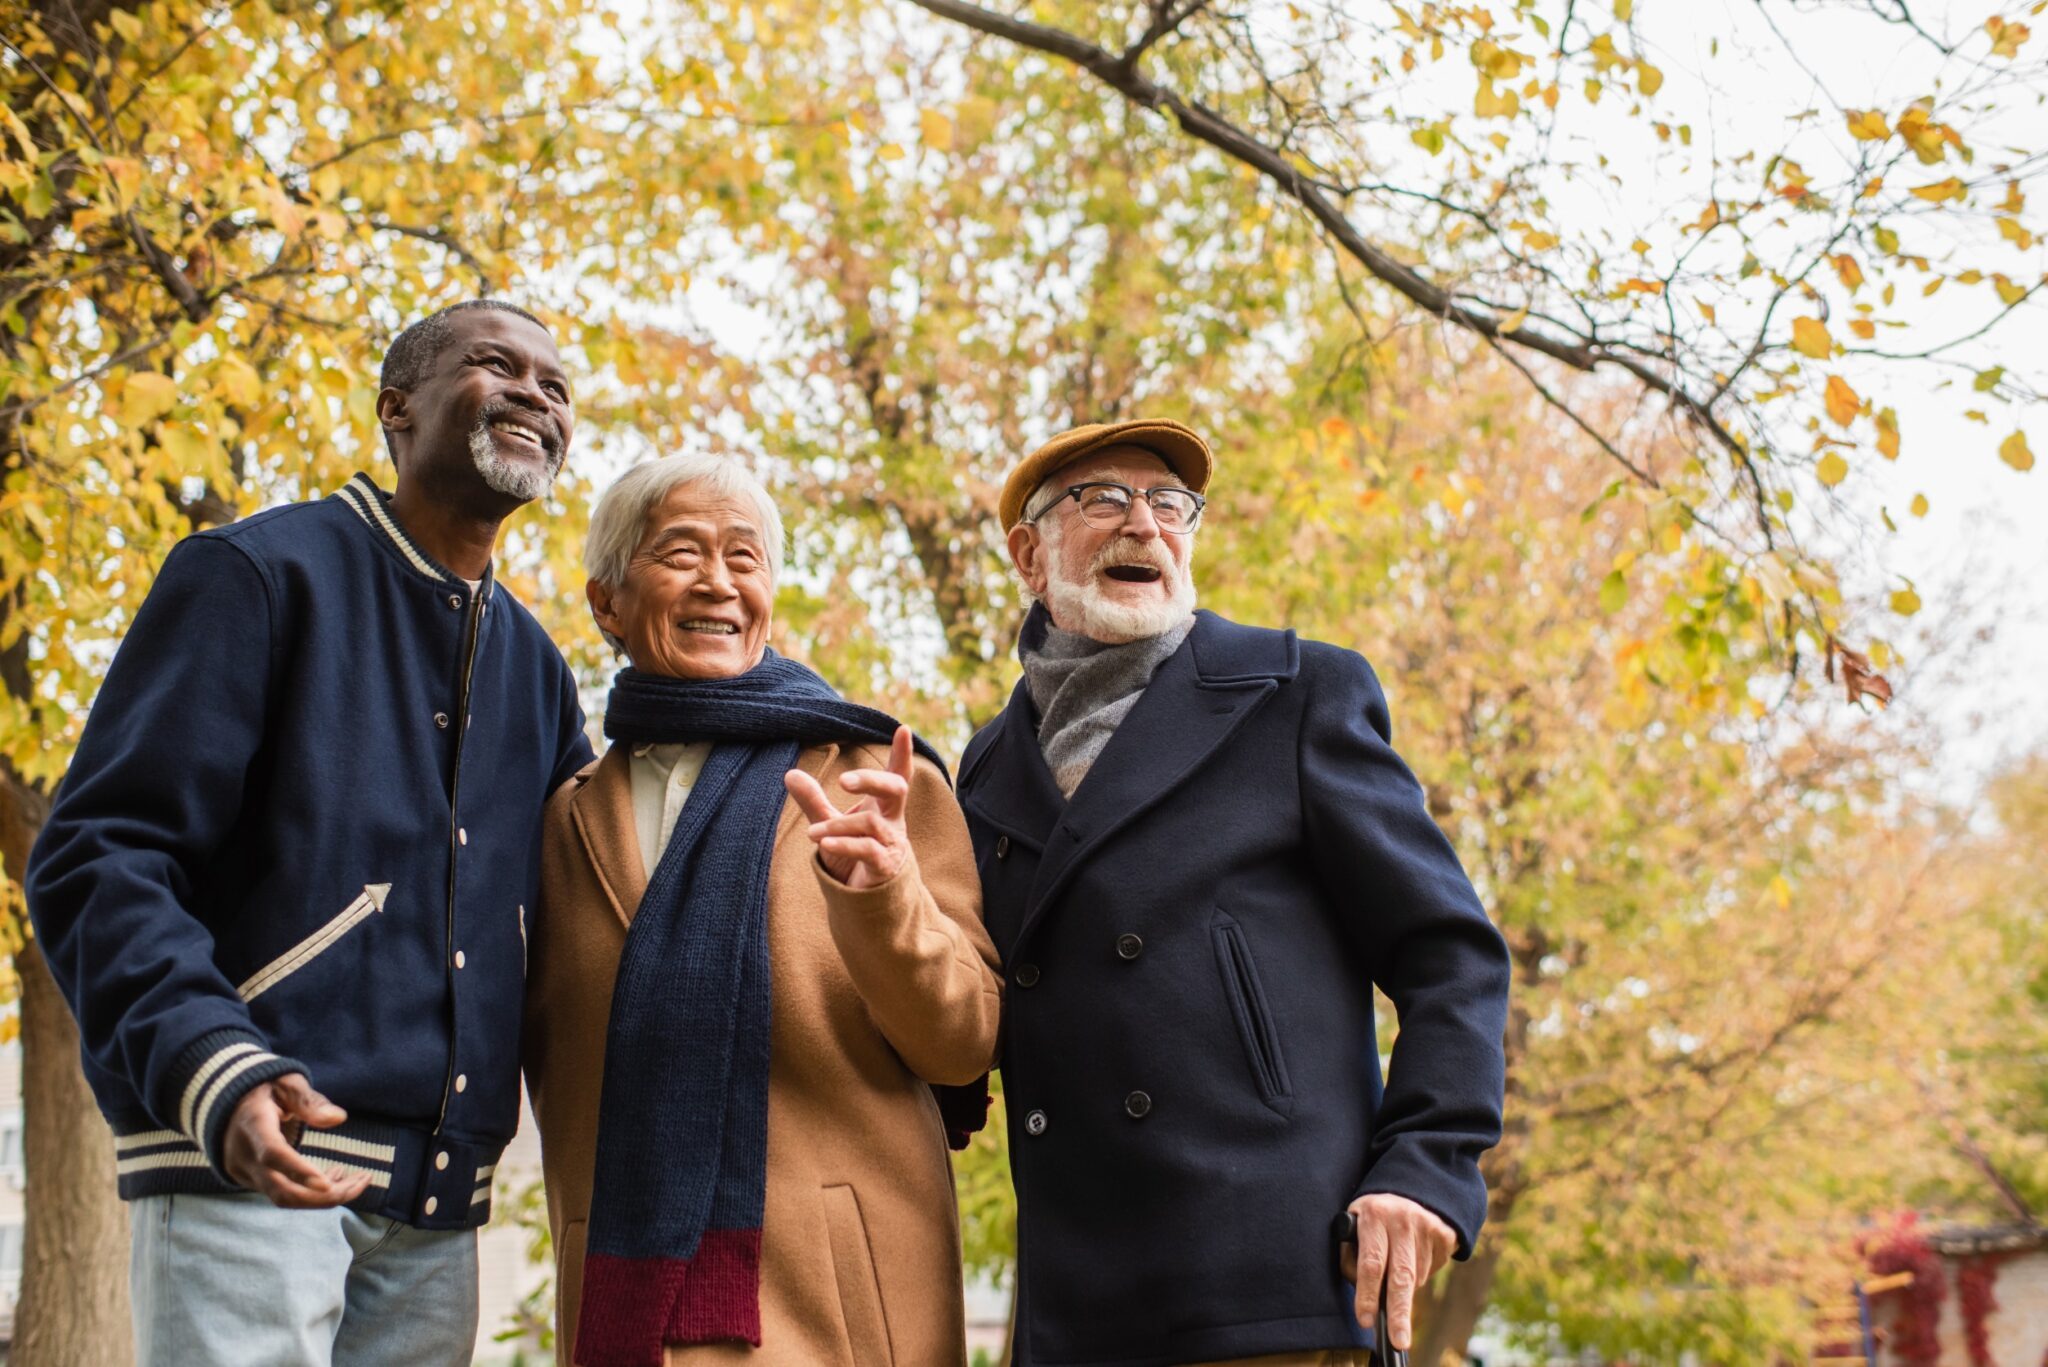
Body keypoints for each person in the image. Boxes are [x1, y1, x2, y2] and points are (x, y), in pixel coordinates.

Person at [25, 300, 595, 1366]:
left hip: (436, 1207)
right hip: (250, 1154)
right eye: (494, 364)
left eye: (556, 386)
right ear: (397, 409)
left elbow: (591, 903)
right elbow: (97, 850)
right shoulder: (253, 575)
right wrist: (216, 1066)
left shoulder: (537, 667)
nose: (535, 394)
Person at [958, 419, 1512, 1367]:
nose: (1145, 524)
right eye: (1105, 499)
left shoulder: (1298, 693)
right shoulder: (983, 768)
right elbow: (963, 1022)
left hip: (1274, 1288)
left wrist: (1426, 1169)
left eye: (1170, 503)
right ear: (1028, 554)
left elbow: (1451, 956)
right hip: (1073, 1316)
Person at [524, 455, 1002, 1367]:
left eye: (745, 558)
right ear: (607, 602)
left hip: (837, 1316)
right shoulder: (563, 819)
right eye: (681, 552)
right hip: (627, 1318)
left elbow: (964, 1038)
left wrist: (884, 894)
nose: (718, 580)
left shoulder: (870, 780)